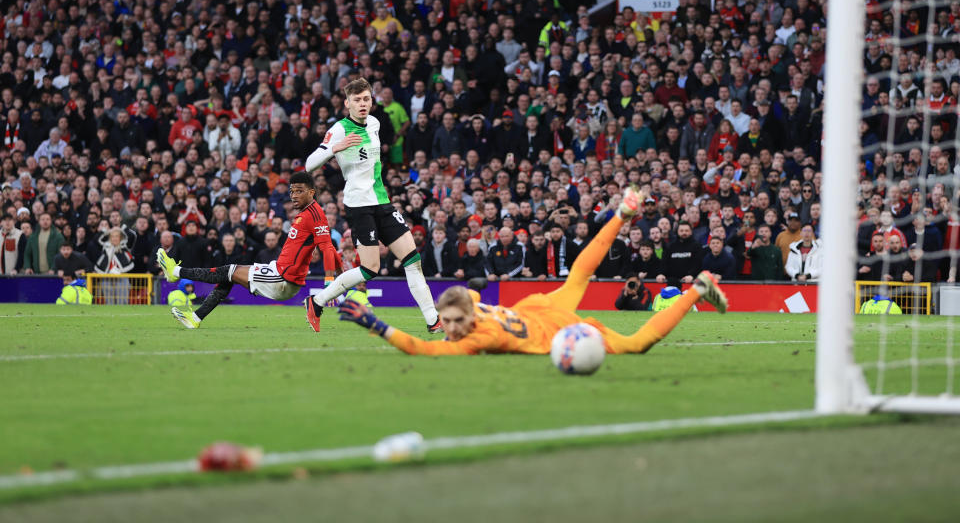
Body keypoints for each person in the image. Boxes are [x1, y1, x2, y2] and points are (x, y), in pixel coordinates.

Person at [336, 187, 727, 355]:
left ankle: (694, 288)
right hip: (533, 309)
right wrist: (469, 293)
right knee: (578, 277)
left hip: (555, 330)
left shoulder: (477, 338)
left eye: (453, 322)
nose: (450, 329)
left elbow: (421, 348)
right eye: (448, 321)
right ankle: (626, 218)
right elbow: (469, 294)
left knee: (636, 345)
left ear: (469, 318)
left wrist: (376, 325)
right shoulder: (470, 308)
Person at [304, 78, 442, 332]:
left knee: (413, 260)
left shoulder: (375, 124)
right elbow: (309, 164)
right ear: (347, 103)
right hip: (358, 205)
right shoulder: (340, 130)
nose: (362, 103)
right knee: (370, 269)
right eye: (356, 100)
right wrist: (335, 148)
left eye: (366, 99)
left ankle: (433, 320)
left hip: (382, 201)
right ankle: (317, 300)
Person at [156, 171, 341, 330]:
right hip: (279, 271)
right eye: (292, 191)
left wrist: (330, 283)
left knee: (228, 271)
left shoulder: (315, 215)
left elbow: (327, 247)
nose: (294, 195)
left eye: (299, 191)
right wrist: (341, 275)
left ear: (312, 192)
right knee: (229, 277)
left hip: (283, 278)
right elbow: (331, 249)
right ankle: (195, 318)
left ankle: (176, 272)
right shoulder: (308, 213)